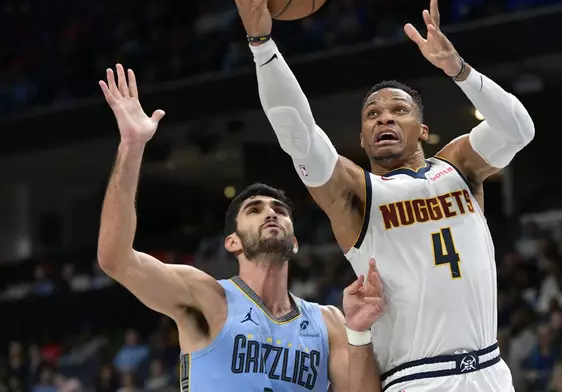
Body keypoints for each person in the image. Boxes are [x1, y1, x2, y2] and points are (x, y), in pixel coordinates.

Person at [234, 0, 535, 390]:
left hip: (491, 372)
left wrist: (458, 70)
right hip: (417, 379)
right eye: (372, 114)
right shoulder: (357, 194)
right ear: (362, 137)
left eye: (399, 110)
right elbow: (299, 134)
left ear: (422, 130)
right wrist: (262, 45)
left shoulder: (460, 166)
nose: (385, 117)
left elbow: (519, 131)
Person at [96, 64, 387, 391]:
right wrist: (131, 146)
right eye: (254, 209)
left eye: (279, 209)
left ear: (294, 242)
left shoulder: (328, 322)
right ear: (232, 242)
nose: (271, 214)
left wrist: (359, 333)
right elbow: (115, 259)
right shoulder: (207, 297)